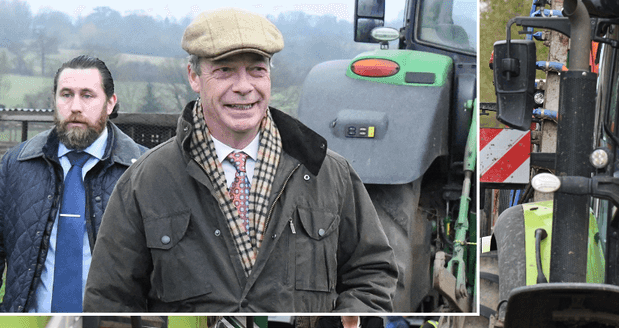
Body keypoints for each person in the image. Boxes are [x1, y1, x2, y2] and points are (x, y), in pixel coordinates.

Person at [84, 9, 397, 312]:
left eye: (257, 70)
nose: (244, 86)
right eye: (225, 70)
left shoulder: (329, 174)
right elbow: (111, 302)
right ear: (194, 76)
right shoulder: (146, 180)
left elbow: (370, 273)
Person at [0, 55, 145, 312]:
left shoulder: (142, 171)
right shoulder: (16, 165)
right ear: (54, 100)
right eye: (66, 94)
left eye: (87, 95)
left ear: (110, 103)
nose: (75, 106)